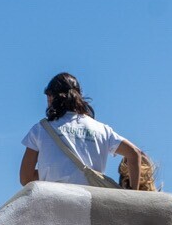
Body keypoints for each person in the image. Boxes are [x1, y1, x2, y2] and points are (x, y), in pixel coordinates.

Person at [19, 72, 152, 189]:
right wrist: (134, 194)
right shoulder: (102, 130)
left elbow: (25, 178)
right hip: (92, 204)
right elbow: (134, 154)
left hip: (55, 203)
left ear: (51, 97)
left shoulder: (40, 129)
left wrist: (48, 171)